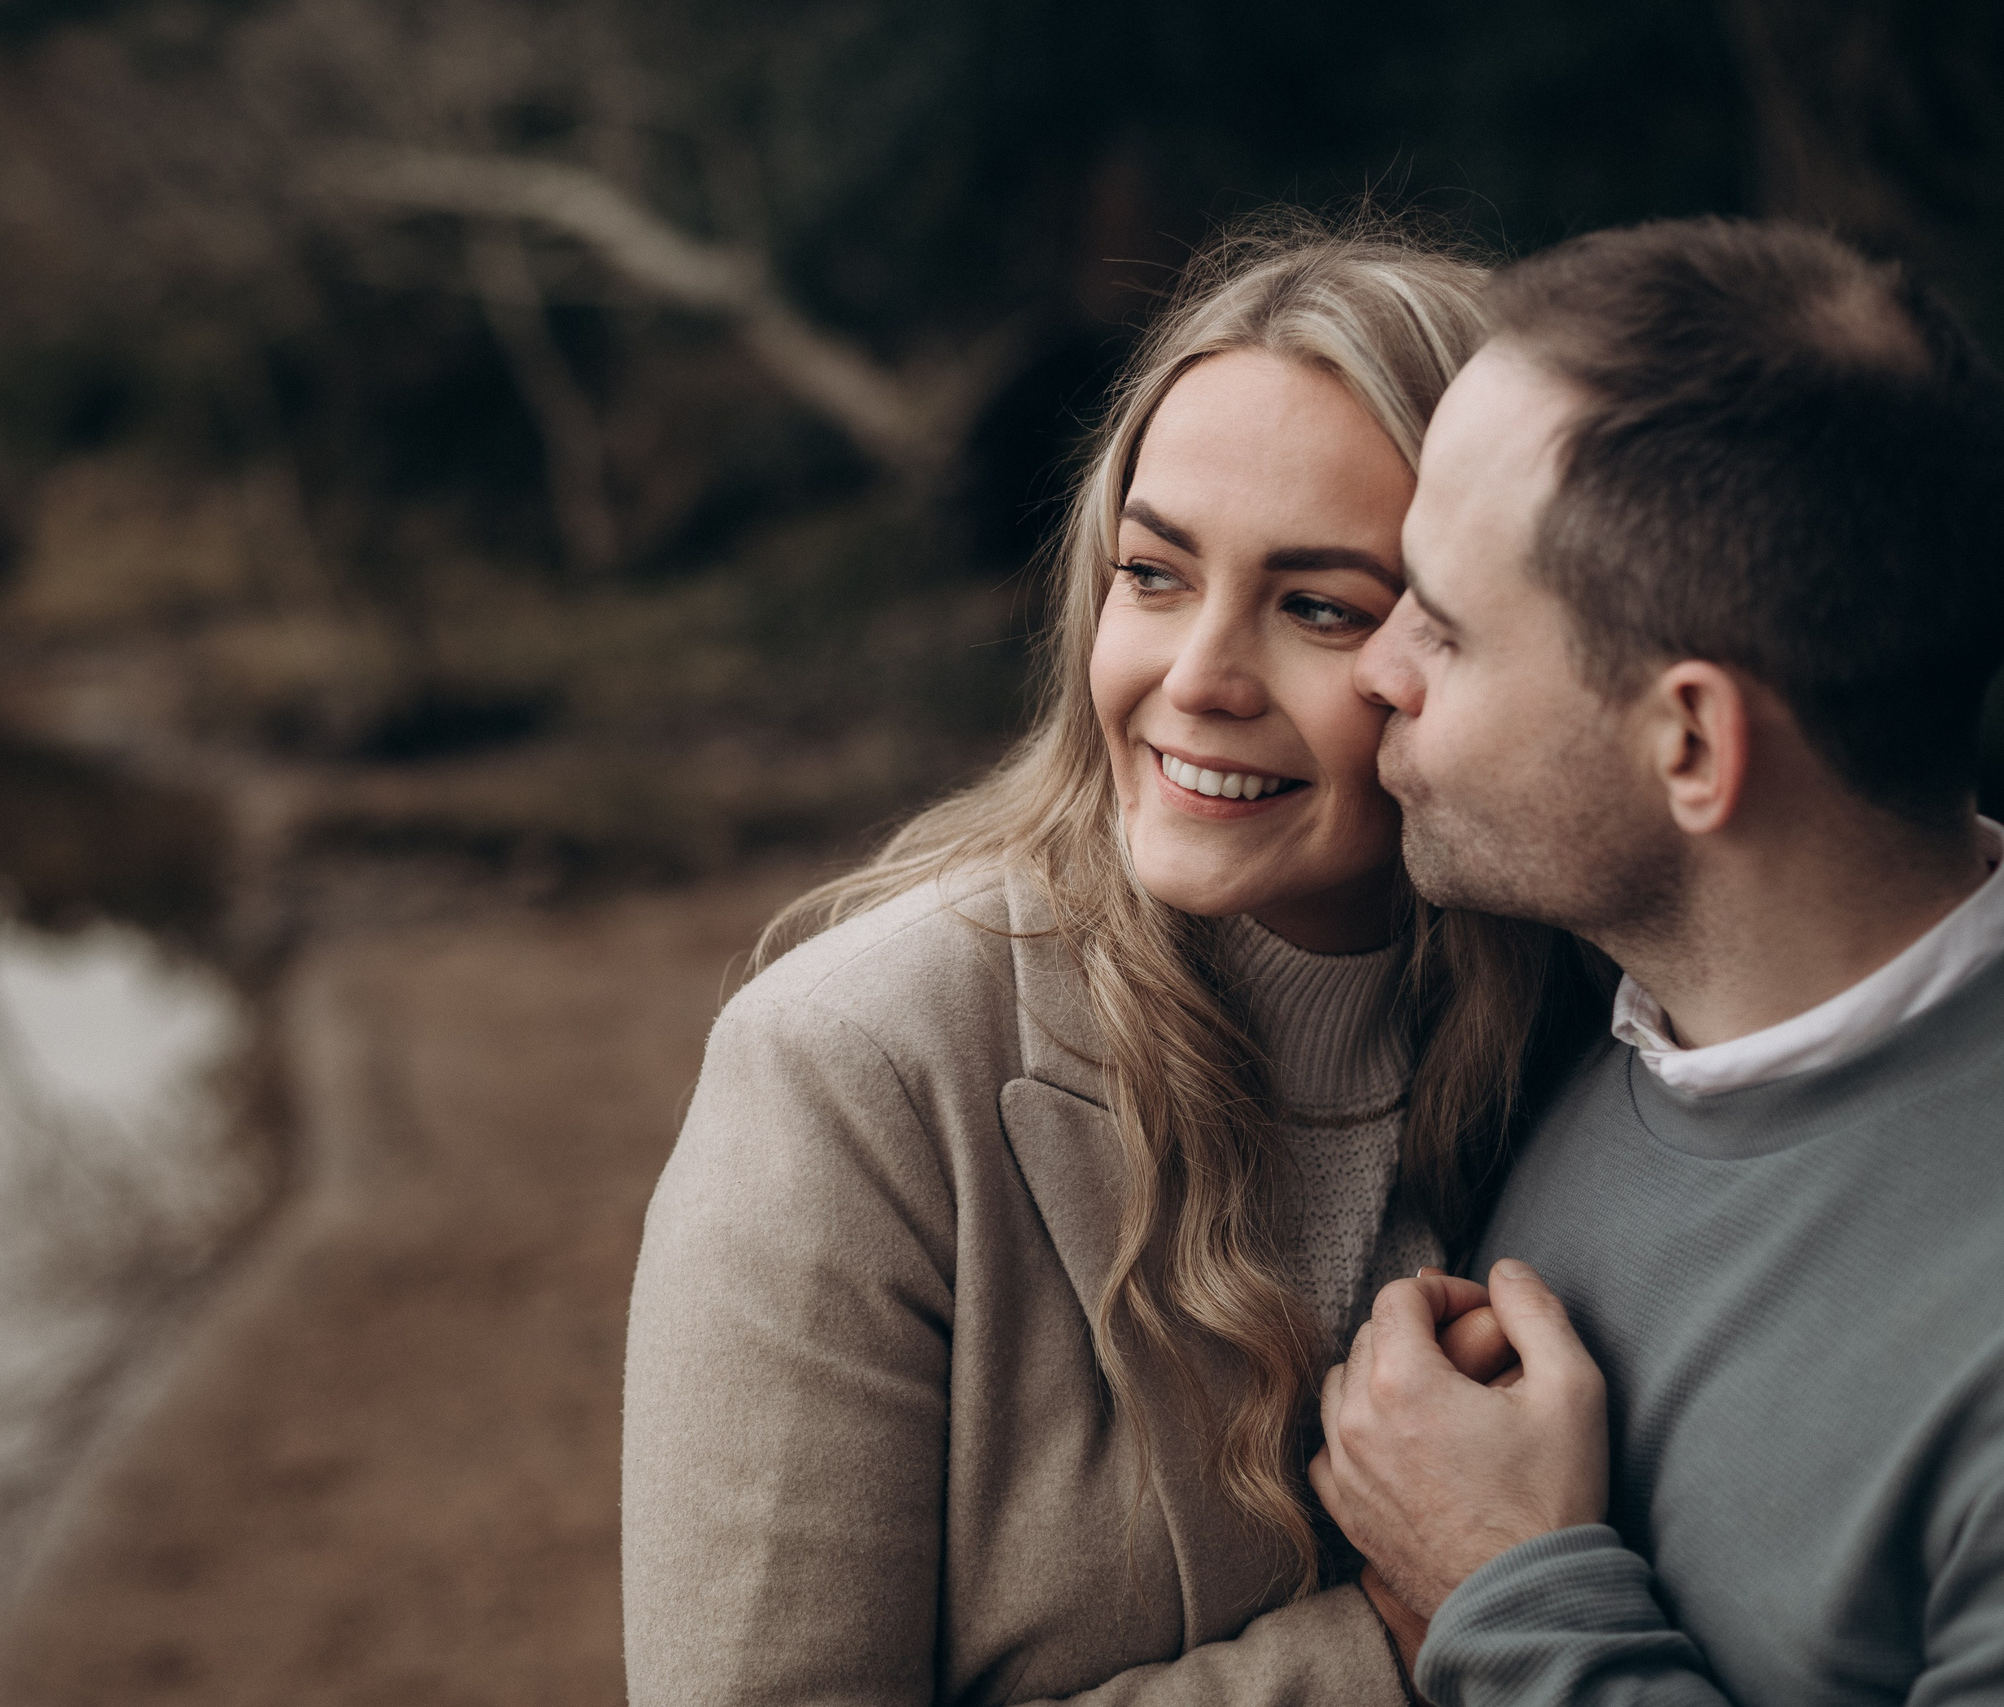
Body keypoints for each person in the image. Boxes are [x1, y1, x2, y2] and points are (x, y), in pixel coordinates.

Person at [622, 217, 1600, 1704]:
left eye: (1319, 607)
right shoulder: (855, 1069)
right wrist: (1390, 1650)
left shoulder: (1597, 1021)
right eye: (1154, 574)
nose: (1196, 678)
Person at [1309, 217, 2004, 1704]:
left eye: (1445, 626)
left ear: (1690, 743)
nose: (1377, 668)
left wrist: (1504, 1588)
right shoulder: (1555, 1003)